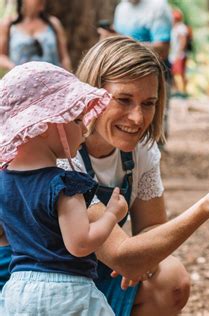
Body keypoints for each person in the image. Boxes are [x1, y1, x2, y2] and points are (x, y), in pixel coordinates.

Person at [0, 36, 209, 316]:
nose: (138, 118)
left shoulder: (141, 152)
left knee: (170, 280)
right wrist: (201, 210)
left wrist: (144, 258)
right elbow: (113, 253)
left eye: (148, 103)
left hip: (83, 274)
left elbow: (150, 228)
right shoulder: (60, 159)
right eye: (124, 100)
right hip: (31, 281)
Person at [0, 61, 128, 314]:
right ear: (47, 125)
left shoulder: (4, 180)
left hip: (17, 294)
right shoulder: (64, 183)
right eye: (77, 119)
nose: (84, 128)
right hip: (67, 293)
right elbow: (80, 243)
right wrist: (112, 214)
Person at [107, 0, 173, 141]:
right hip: (124, 76)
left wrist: (124, 43)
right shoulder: (122, 7)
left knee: (155, 121)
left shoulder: (158, 7)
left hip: (155, 76)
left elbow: (163, 49)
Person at [0, 0, 72, 71]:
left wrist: (69, 76)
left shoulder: (53, 24)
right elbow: (1, 56)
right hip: (20, 79)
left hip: (52, 79)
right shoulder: (9, 25)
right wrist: (12, 67)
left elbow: (64, 58)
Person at [170, 8, 189, 98]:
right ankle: (179, 90)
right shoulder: (175, 28)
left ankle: (181, 91)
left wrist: (179, 53)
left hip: (179, 54)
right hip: (175, 54)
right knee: (177, 73)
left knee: (178, 73)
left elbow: (183, 41)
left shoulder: (181, 28)